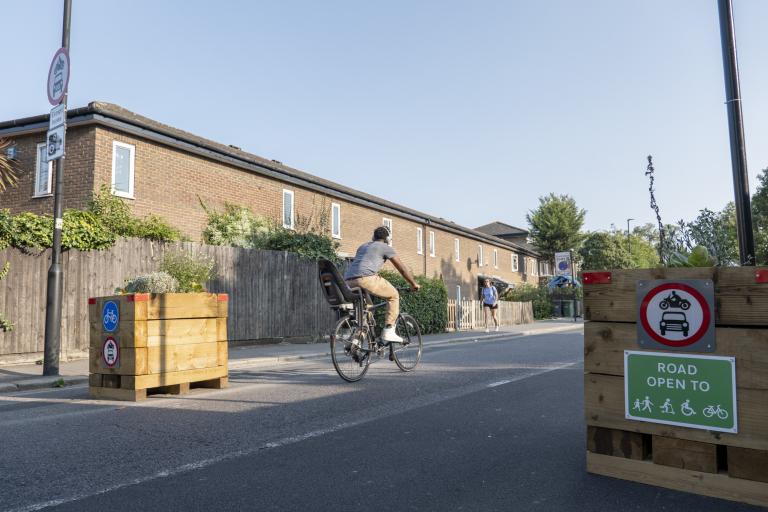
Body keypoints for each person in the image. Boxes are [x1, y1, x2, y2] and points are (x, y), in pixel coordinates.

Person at [345, 226, 420, 343]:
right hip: (366, 279)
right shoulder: (385, 247)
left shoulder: (362, 246)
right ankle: (389, 331)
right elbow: (402, 269)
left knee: (368, 311)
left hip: (348, 281)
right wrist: (413, 283)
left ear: (373, 237)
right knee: (394, 295)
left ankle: (356, 342)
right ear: (387, 239)